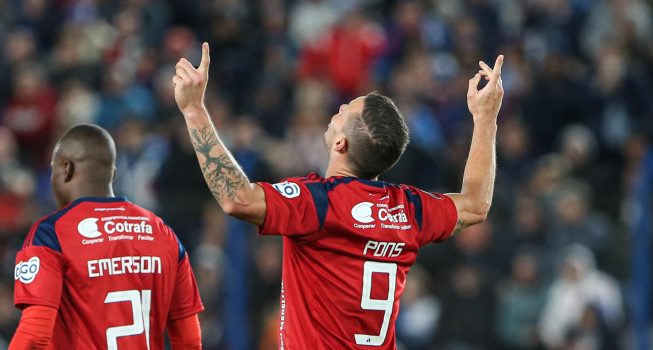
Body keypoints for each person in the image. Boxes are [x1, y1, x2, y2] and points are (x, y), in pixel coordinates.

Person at [173, 42, 503, 348]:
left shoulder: (319, 202)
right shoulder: (409, 209)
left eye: (347, 111)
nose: (341, 105)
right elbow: (475, 206)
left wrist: (194, 111)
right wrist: (485, 118)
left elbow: (237, 198)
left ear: (340, 144)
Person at [9, 124, 204, 349]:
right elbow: (189, 340)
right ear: (112, 173)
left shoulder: (50, 233)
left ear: (66, 169)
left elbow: (35, 335)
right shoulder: (162, 232)